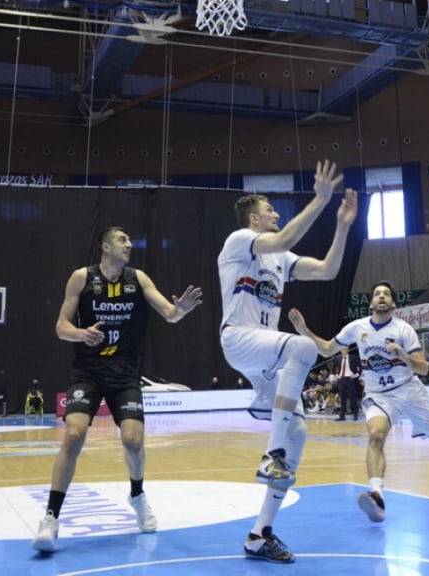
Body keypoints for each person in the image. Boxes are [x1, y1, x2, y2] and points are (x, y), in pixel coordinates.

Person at [217, 159, 358, 564]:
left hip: (266, 358)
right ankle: (271, 453)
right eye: (271, 210)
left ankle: (260, 534)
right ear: (254, 217)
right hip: (240, 340)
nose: (277, 215)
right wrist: (319, 200)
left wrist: (343, 225)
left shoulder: (281, 258)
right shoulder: (238, 241)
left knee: (298, 433)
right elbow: (279, 242)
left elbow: (329, 270)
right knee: (303, 347)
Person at [31, 226, 203, 552]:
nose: (129, 245)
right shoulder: (81, 277)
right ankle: (51, 518)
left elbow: (169, 314)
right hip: (88, 372)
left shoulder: (138, 278)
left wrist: (181, 309)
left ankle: (137, 494)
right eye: (122, 240)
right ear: (105, 246)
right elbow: (61, 327)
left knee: (134, 441)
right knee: (74, 434)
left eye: (129, 241)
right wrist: (82, 335)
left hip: (125, 373)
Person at [288, 281, 429, 523]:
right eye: (376, 294)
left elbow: (424, 368)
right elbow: (327, 349)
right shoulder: (357, 328)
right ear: (372, 302)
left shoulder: (404, 330)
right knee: (375, 436)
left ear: (393, 303)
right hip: (378, 395)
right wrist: (304, 330)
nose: (381, 297)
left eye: (385, 294)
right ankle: (377, 495)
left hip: (409, 390)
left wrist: (402, 356)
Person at [336, 345, 361, 420]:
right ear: (340, 350)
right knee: (342, 397)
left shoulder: (353, 357)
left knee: (353, 397)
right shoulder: (338, 358)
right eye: (342, 349)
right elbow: (334, 368)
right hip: (342, 379)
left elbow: (360, 367)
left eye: (345, 349)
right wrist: (337, 375)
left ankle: (355, 414)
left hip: (350, 379)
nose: (343, 350)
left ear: (348, 350)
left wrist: (356, 375)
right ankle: (342, 415)